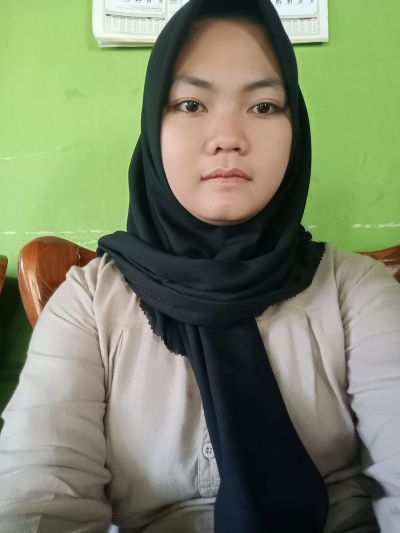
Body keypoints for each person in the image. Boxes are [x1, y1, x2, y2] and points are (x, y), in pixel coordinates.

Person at [0, 0, 399, 531]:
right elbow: (38, 499)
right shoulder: (89, 305)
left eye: (264, 106)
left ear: (296, 128)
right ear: (152, 125)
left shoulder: (356, 291)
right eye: (190, 104)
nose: (228, 136)